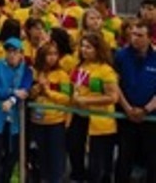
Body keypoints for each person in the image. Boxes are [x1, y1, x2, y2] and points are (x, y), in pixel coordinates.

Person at [67, 31, 118, 183]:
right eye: (82, 46)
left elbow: (113, 97)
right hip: (77, 115)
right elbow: (72, 86)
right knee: (75, 151)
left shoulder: (105, 70)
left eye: (88, 47)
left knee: (97, 163)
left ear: (98, 49)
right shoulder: (79, 66)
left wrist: (86, 100)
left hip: (98, 120)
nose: (84, 50)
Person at [113, 19, 156, 183]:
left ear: (150, 38)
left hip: (151, 117)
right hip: (126, 115)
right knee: (124, 157)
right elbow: (115, 85)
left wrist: (145, 110)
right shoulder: (121, 55)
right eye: (133, 34)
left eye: (140, 35)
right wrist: (128, 109)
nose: (135, 38)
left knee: (152, 158)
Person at [0, 38, 33, 183]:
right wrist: (13, 92)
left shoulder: (26, 70)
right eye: (9, 51)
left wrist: (12, 99)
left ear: (21, 54)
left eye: (15, 51)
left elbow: (25, 90)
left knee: (12, 154)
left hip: (16, 119)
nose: (12, 54)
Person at [28, 41, 71, 183]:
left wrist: (48, 92)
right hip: (37, 121)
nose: (52, 57)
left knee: (56, 156)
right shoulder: (34, 73)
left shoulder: (62, 75)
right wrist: (36, 89)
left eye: (55, 54)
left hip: (55, 122)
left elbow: (66, 98)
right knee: (40, 155)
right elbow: (29, 95)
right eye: (49, 54)